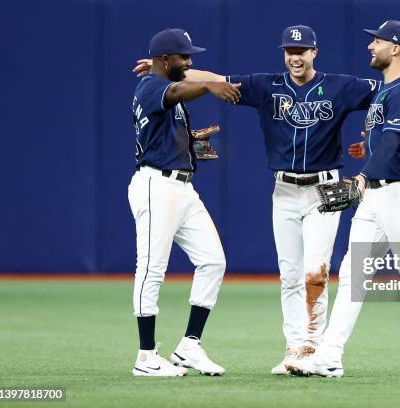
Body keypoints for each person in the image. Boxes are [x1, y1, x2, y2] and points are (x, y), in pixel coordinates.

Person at [133, 24, 400, 375]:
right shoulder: (267, 85)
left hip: (323, 189)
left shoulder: (341, 86)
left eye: (302, 50)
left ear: (314, 53)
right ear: (284, 54)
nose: (295, 57)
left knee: (316, 273)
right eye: (289, 51)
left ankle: (313, 349)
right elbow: (218, 79)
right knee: (290, 275)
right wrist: (177, 71)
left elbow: (396, 87)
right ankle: (294, 348)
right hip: (283, 190)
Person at [286, 20, 400, 379]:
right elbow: (386, 132)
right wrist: (367, 150)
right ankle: (330, 356)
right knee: (353, 276)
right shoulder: (392, 90)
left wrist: (365, 174)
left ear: (395, 48)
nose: (371, 47)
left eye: (378, 41)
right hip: (377, 197)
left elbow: (395, 141)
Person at [129, 28, 241, 377]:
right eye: (183, 56)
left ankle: (189, 346)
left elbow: (180, 86)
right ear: (166, 60)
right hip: (155, 185)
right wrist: (208, 86)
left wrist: (187, 144)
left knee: (213, 261)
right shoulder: (152, 86)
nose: (190, 61)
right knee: (151, 268)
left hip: (182, 186)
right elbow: (179, 87)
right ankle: (146, 356)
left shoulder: (164, 85)